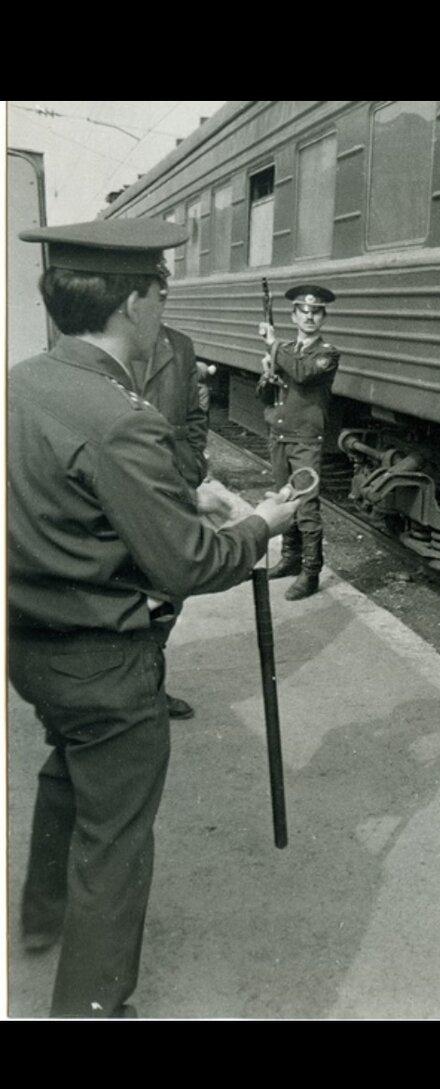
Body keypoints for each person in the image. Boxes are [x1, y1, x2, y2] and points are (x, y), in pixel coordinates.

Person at [9, 218, 302, 1018]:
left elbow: (77, 502)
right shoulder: (120, 415)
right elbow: (187, 564)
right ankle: (90, 1007)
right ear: (135, 302)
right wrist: (261, 527)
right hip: (106, 663)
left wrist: (180, 491)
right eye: (162, 288)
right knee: (116, 842)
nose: (165, 300)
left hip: (31, 647)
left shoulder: (21, 383)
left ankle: (38, 914)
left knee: (67, 769)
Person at [134, 322, 210, 719]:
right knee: (130, 593)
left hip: (175, 482)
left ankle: (150, 687)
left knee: (169, 588)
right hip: (125, 486)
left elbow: (195, 413)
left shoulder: (179, 344)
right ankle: (135, 693)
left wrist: (193, 464)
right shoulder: (101, 338)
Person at [256, 284, 341, 600]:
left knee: (306, 506)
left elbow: (303, 374)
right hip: (279, 435)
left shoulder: (326, 354)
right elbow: (266, 396)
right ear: (293, 315)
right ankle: (290, 559)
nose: (309, 317)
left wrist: (273, 347)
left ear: (323, 318)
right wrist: (266, 375)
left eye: (316, 312)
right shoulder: (286, 350)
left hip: (305, 439)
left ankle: (310, 572)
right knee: (284, 499)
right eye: (303, 311)